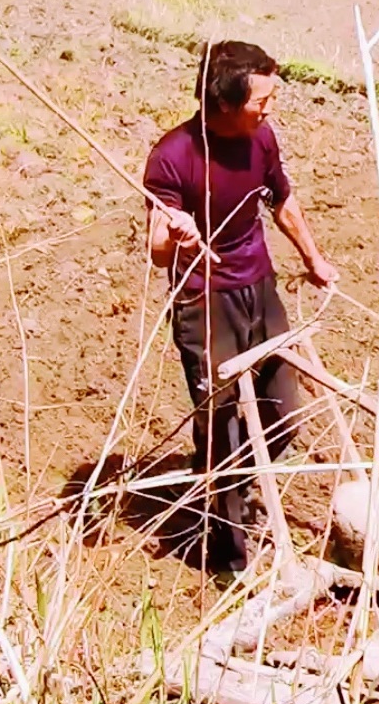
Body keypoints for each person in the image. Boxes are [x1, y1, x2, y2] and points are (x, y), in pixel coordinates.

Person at [143, 39, 338, 569]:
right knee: (223, 420)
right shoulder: (172, 158)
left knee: (282, 414)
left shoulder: (262, 138)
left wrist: (314, 258)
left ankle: (234, 482)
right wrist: (176, 238)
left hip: (259, 285)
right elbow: (158, 253)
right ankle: (223, 547)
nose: (270, 108)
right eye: (261, 100)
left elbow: (282, 200)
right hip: (203, 299)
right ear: (224, 103)